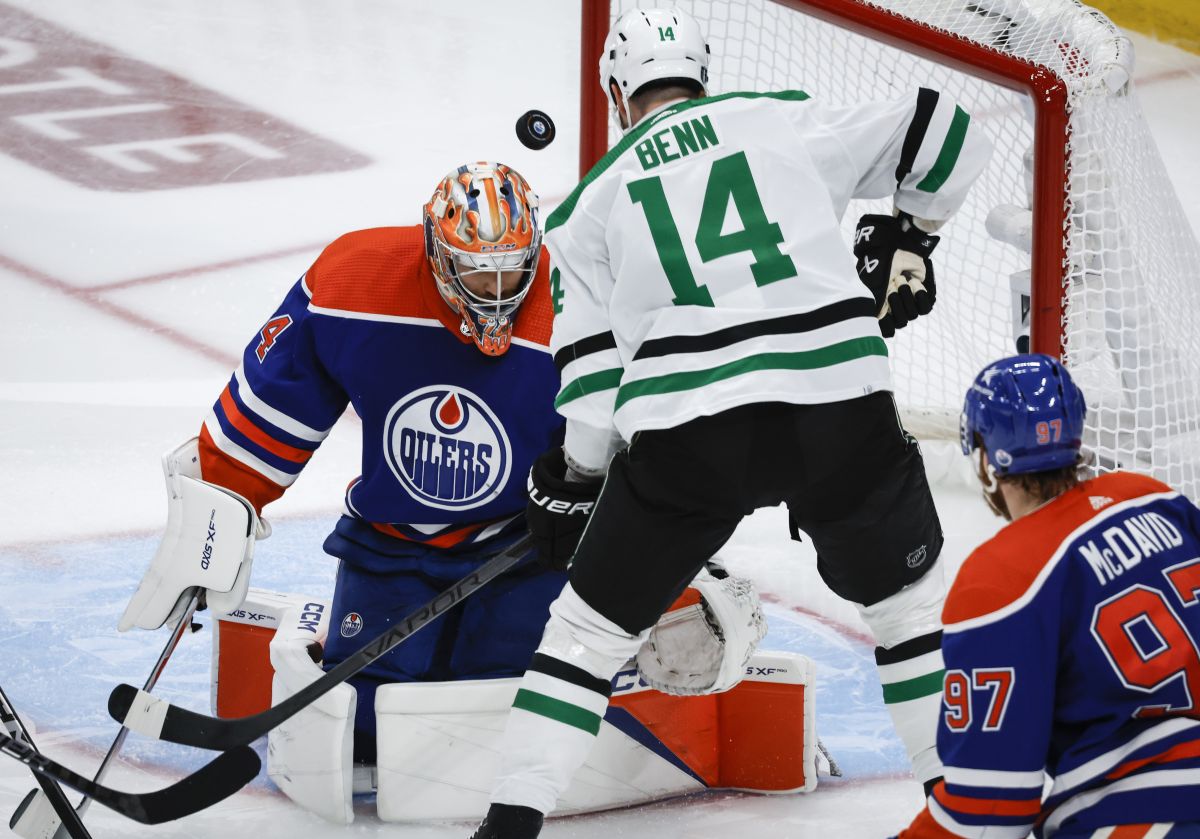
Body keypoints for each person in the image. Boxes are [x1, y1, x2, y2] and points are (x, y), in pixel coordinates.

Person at [470, 8, 992, 838]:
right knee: (907, 618)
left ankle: (507, 826)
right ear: (703, 73)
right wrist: (910, 236)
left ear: (614, 92)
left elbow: (598, 396)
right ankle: (972, 813)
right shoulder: (781, 117)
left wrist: (571, 483)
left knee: (583, 638)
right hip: (837, 409)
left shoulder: (583, 210)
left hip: (690, 436)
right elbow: (950, 129)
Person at [118, 161, 566, 762]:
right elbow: (278, 397)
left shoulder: (579, 297)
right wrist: (219, 513)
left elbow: (636, 428)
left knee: (501, 722)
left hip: (525, 545)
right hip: (390, 543)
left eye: (512, 272)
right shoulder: (355, 280)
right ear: (436, 250)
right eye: (476, 272)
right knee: (364, 732)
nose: (497, 292)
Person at [895, 353, 1200, 839]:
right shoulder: (1153, 497)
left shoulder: (999, 580)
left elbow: (988, 810)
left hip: (1142, 816)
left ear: (984, 455)